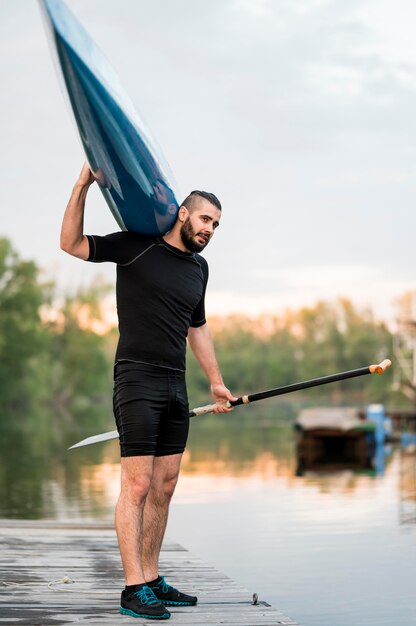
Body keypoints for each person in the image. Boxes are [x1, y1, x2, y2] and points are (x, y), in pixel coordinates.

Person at [60, 163, 236, 620]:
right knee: (136, 486)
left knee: (165, 485)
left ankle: (153, 578)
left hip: (175, 383)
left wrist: (215, 382)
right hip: (136, 378)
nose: (209, 229)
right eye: (204, 219)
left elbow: (197, 328)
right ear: (183, 214)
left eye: (215, 224)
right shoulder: (136, 246)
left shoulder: (199, 268)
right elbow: (71, 244)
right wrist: (81, 186)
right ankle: (133, 588)